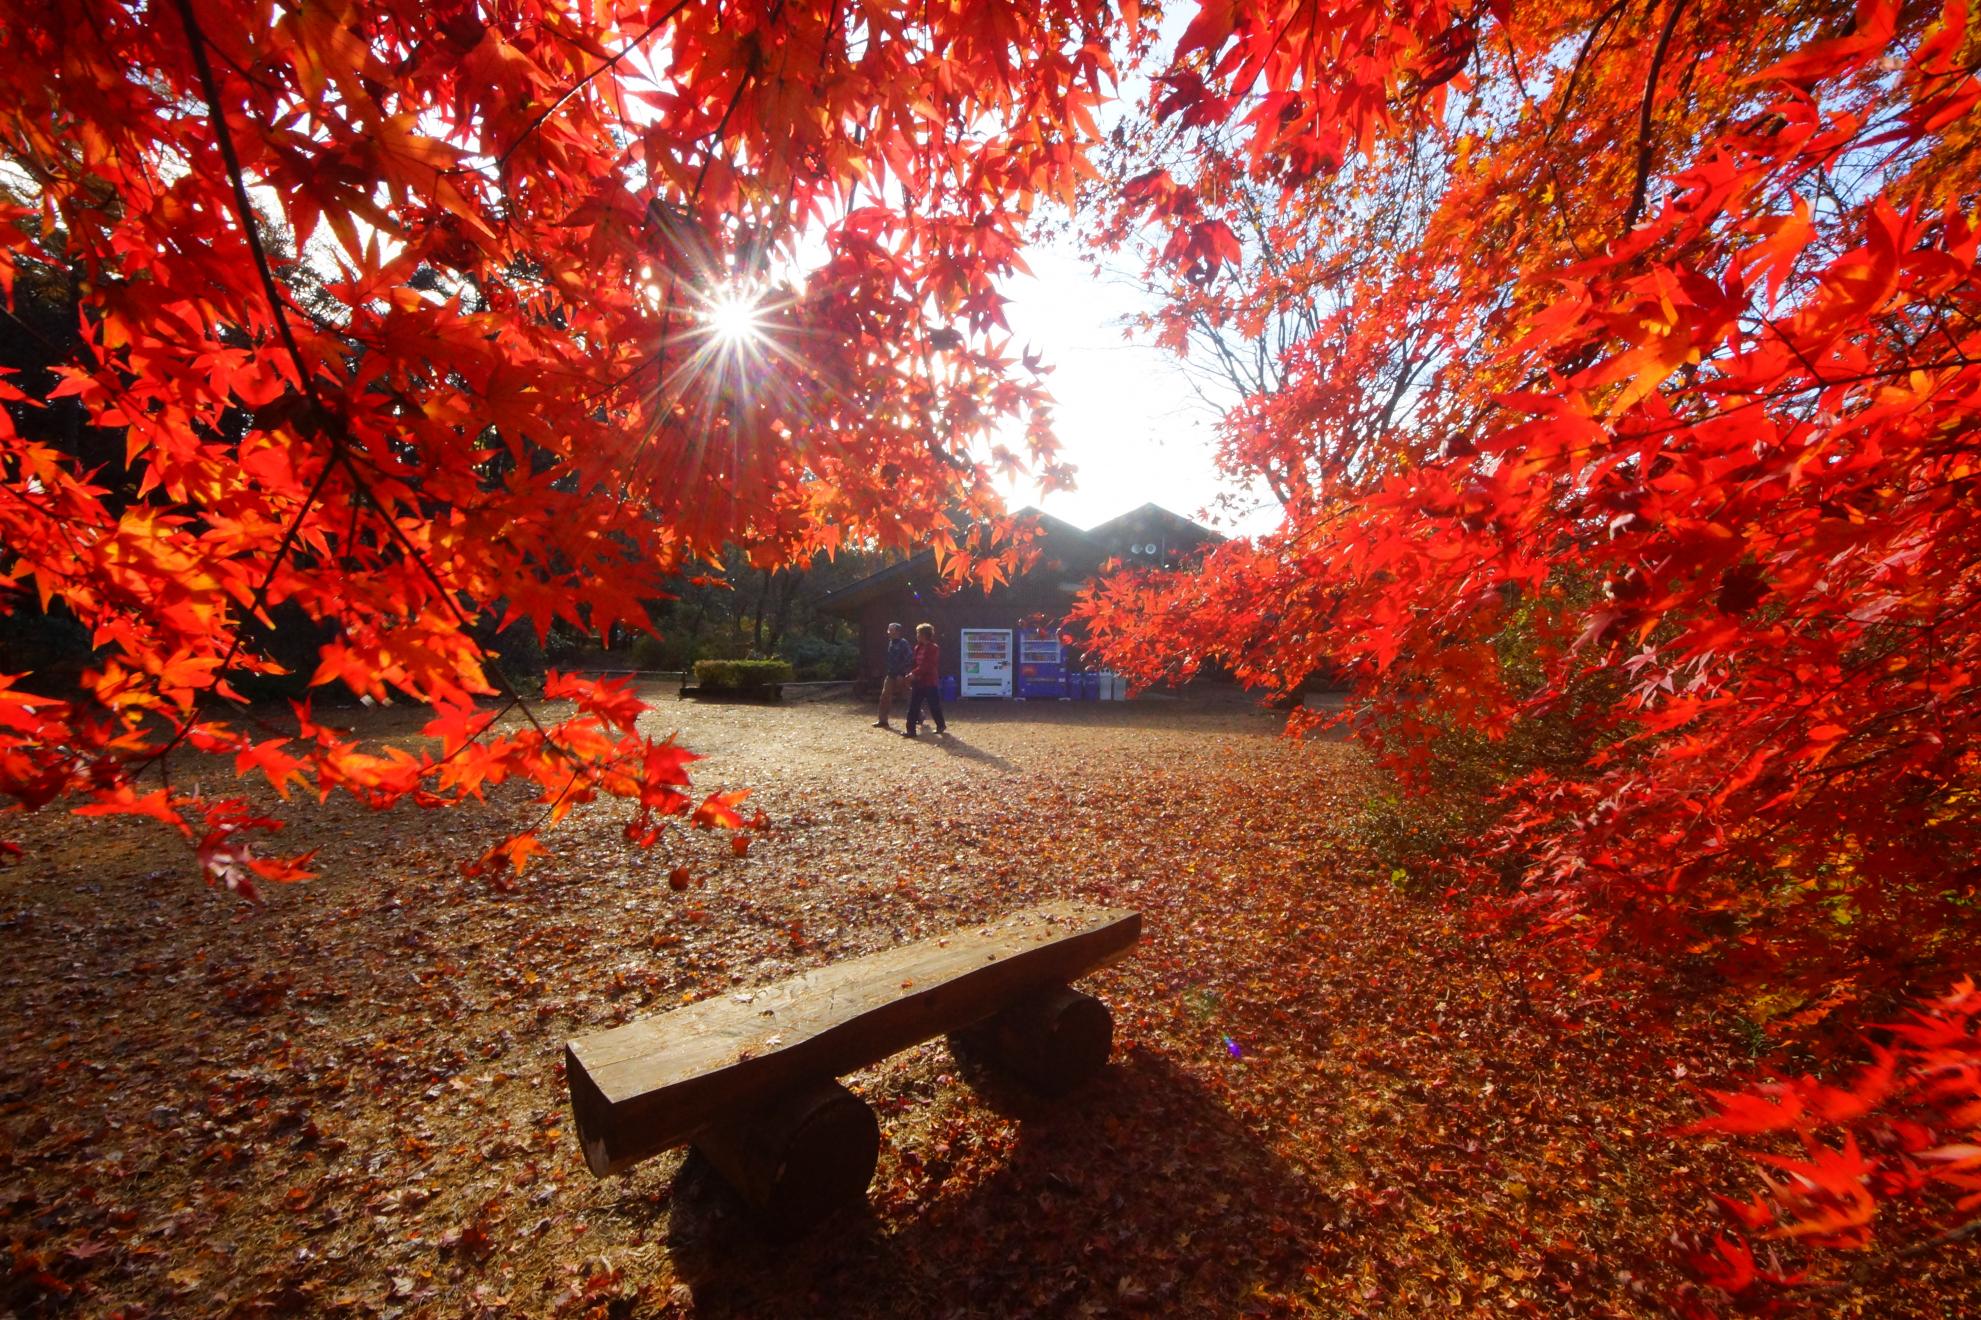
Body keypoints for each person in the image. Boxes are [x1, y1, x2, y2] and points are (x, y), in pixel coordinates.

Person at [904, 622, 947, 738]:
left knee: (934, 705)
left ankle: (941, 725)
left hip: (929, 682)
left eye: (918, 633)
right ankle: (910, 730)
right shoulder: (917, 647)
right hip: (918, 682)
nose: (917, 635)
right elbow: (915, 663)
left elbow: (928, 665)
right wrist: (910, 673)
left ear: (924, 635)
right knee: (913, 706)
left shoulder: (934, 648)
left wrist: (914, 673)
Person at [874, 621, 912, 729]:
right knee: (885, 696)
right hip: (891, 674)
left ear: (897, 631)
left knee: (908, 696)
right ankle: (882, 720)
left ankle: (919, 715)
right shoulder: (891, 642)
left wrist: (902, 673)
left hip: (901, 675)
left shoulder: (903, 643)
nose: (888, 632)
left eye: (890, 630)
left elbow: (909, 658)